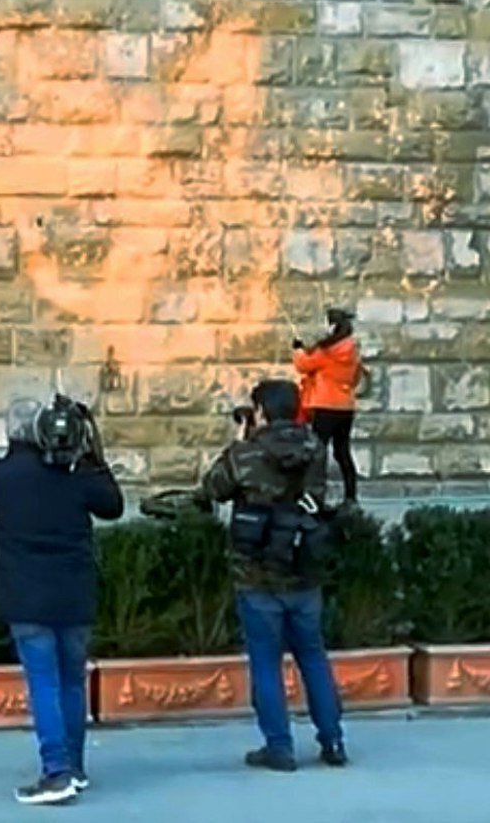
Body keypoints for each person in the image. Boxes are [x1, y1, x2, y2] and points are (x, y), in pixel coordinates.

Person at [195, 379, 348, 773]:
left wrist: (238, 440)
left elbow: (212, 489)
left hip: (256, 573)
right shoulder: (316, 448)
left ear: (260, 410)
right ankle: (332, 740)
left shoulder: (246, 453)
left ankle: (279, 746)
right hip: (303, 569)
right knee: (313, 656)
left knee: (265, 662)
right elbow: (324, 497)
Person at [0, 396, 124, 806]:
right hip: (75, 594)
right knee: (70, 682)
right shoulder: (77, 476)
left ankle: (56, 771)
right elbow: (113, 506)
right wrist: (91, 450)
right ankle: (73, 767)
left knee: (44, 683)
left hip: (27, 598)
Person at [294, 307, 365, 503]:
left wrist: (298, 349)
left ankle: (315, 496)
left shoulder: (327, 351)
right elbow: (356, 377)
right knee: (342, 451)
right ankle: (351, 495)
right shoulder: (352, 350)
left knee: (318, 451)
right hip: (346, 407)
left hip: (325, 405)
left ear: (332, 326)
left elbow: (303, 365)